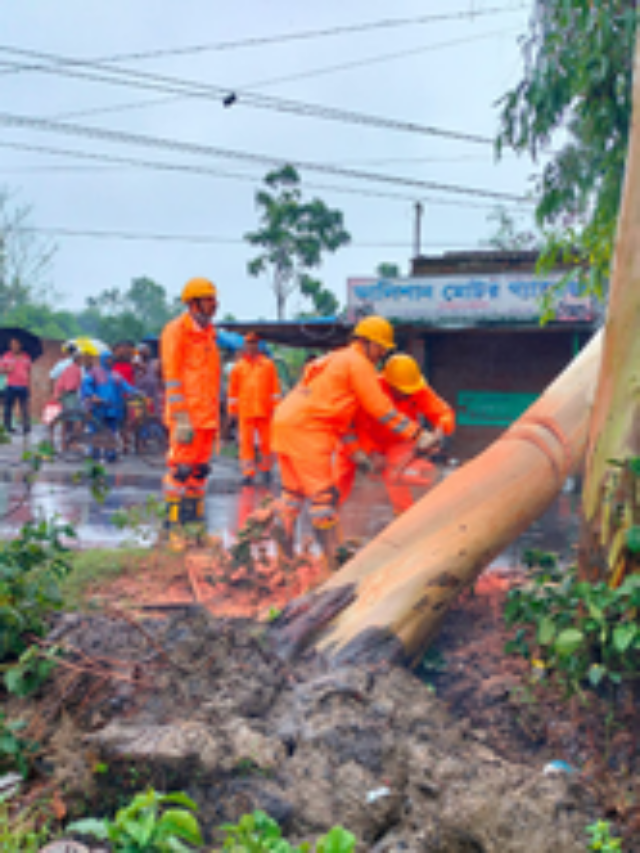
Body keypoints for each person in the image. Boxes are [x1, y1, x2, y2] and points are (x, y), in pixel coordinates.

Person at [271, 316, 439, 570]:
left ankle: (286, 559)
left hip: (285, 422)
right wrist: (418, 435)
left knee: (292, 495)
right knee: (324, 499)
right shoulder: (359, 364)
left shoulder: (336, 358)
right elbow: (381, 409)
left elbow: (345, 421)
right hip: (308, 429)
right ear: (366, 342)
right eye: (381, 347)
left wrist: (357, 453)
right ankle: (331, 566)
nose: (382, 354)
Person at [336, 353, 456, 515]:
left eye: (409, 390)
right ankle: (330, 514)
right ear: (388, 382)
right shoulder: (371, 390)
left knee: (396, 472)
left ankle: (403, 517)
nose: (407, 394)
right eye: (402, 390)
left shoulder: (417, 389)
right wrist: (370, 452)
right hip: (363, 441)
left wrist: (440, 430)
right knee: (339, 475)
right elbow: (356, 427)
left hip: (396, 443)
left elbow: (443, 412)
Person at [161, 277, 220, 539]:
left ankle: (195, 528)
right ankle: (173, 528)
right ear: (194, 303)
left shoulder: (210, 335)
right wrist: (180, 416)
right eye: (208, 300)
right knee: (180, 471)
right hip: (186, 416)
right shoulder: (176, 331)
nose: (214, 305)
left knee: (199, 472)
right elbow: (172, 376)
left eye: (214, 299)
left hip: (207, 416)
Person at [227, 333, 281, 485]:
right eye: (249, 343)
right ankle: (248, 473)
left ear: (258, 345)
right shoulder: (238, 367)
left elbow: (275, 389)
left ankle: (266, 469)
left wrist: (276, 409)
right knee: (246, 443)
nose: (251, 346)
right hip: (246, 411)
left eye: (254, 343)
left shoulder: (268, 365)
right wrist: (232, 411)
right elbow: (233, 391)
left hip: (265, 410)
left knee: (267, 443)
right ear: (245, 346)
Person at [80, 350, 141, 462]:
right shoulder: (94, 372)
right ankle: (94, 452)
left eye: (111, 359)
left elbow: (125, 385)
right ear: (103, 360)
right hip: (97, 406)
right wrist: (92, 396)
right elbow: (86, 385)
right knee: (95, 429)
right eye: (108, 359)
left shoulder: (116, 375)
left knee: (111, 430)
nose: (110, 361)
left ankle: (110, 453)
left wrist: (135, 392)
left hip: (112, 407)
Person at [0, 337, 32, 435]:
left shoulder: (26, 357)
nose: (14, 346)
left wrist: (30, 387)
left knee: (25, 408)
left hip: (23, 385)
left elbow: (29, 372)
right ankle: (7, 427)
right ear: (10, 346)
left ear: (20, 345)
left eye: (16, 344)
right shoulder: (6, 356)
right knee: (8, 407)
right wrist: (7, 369)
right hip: (10, 385)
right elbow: (1, 370)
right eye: (12, 344)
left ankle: (26, 427)